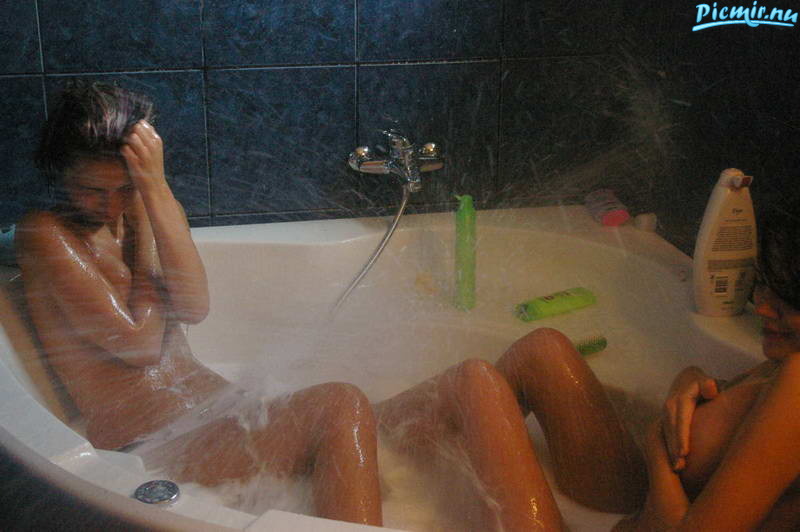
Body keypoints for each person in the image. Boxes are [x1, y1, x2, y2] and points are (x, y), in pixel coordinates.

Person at [15, 81, 381, 526]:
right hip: (158, 446)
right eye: (92, 189)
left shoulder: (147, 206)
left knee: (455, 389)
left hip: (227, 418)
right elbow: (139, 344)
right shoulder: (45, 233)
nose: (111, 206)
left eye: (126, 188)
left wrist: (154, 192)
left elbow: (194, 306)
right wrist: (146, 225)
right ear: (61, 172)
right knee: (340, 404)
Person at [378, 199, 800, 530]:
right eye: (764, 286)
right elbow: (740, 418)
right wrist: (691, 380)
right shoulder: (784, 364)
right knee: (543, 350)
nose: (763, 307)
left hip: (646, 509)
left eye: (786, 303)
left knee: (476, 383)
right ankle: (376, 438)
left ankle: (362, 440)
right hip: (635, 502)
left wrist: (657, 443)